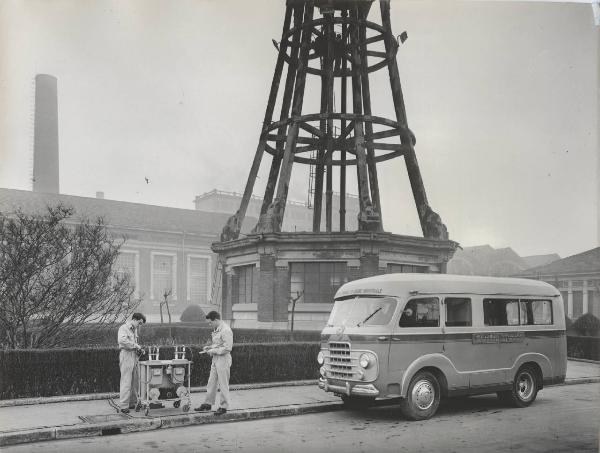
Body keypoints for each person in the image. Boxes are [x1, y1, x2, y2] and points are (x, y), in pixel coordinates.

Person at [195, 311, 233, 415]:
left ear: (216, 320)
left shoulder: (226, 330)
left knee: (223, 384)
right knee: (211, 383)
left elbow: (227, 348)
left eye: (210, 322)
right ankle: (208, 404)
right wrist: (210, 347)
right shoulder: (217, 329)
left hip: (223, 359)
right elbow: (218, 344)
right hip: (216, 359)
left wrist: (212, 351)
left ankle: (223, 407)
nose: (209, 324)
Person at [117, 312, 146, 413]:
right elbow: (122, 341)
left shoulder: (135, 330)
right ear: (134, 319)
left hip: (134, 356)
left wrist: (139, 349)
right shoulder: (123, 328)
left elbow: (134, 343)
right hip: (126, 355)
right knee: (126, 381)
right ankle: (124, 406)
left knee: (135, 381)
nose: (140, 325)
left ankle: (132, 403)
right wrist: (135, 346)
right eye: (139, 323)